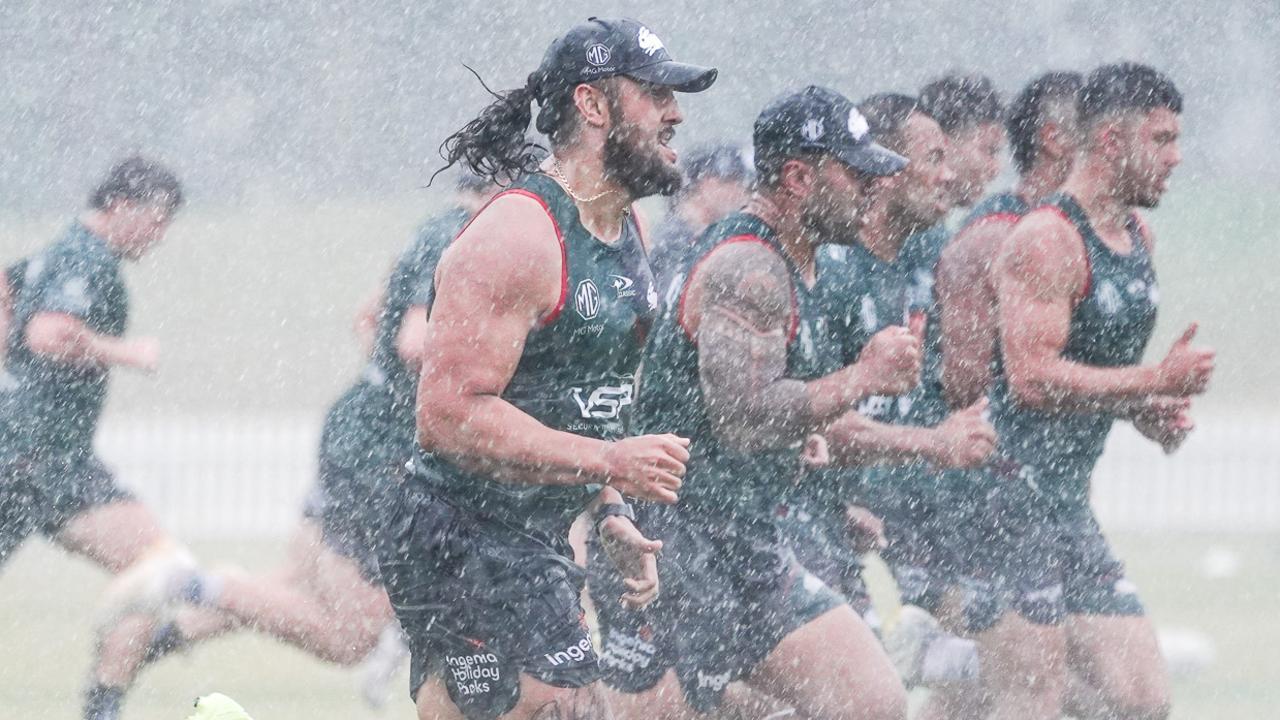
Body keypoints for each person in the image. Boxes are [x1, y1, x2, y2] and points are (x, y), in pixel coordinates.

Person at [376, 16, 715, 720]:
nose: (675, 113)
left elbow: (581, 398)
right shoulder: (518, 234)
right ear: (593, 106)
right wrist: (609, 460)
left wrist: (611, 508)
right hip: (461, 532)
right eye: (654, 94)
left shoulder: (627, 231)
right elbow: (447, 417)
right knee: (568, 708)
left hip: (528, 536)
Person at [83, 173, 498, 719]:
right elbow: (414, 341)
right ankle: (185, 584)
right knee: (352, 638)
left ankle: (162, 637)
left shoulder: (434, 231)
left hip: (359, 430)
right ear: (503, 182)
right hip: (378, 450)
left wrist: (386, 389)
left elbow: (369, 316)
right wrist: (490, 366)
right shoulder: (458, 236)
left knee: (291, 585)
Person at [591, 85, 920, 720]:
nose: (873, 189)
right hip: (673, 537)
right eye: (856, 174)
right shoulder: (751, 267)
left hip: (742, 534)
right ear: (799, 177)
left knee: (872, 702)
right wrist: (864, 376)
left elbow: (757, 407)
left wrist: (808, 430)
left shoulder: (798, 262)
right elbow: (744, 419)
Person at [979, 62, 1210, 720]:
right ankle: (967, 657)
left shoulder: (1140, 236)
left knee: (1140, 698)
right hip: (1001, 499)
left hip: (1064, 503)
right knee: (1033, 697)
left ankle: (964, 661)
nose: (1178, 156)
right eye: (1162, 140)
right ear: (1111, 142)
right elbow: (1030, 378)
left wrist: (1146, 410)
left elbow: (1093, 375)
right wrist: (1153, 380)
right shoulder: (1047, 238)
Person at [0, 155, 209, 701]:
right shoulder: (88, 258)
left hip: (18, 447)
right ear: (120, 206)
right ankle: (103, 706)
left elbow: (6, 287)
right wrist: (126, 352)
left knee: (154, 569)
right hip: (46, 456)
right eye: (157, 220)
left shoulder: (57, 251)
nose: (160, 236)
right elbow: (49, 334)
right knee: (158, 566)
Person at [647, 143, 752, 291]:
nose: (740, 189)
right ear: (702, 183)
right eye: (730, 180)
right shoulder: (670, 244)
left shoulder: (714, 237)